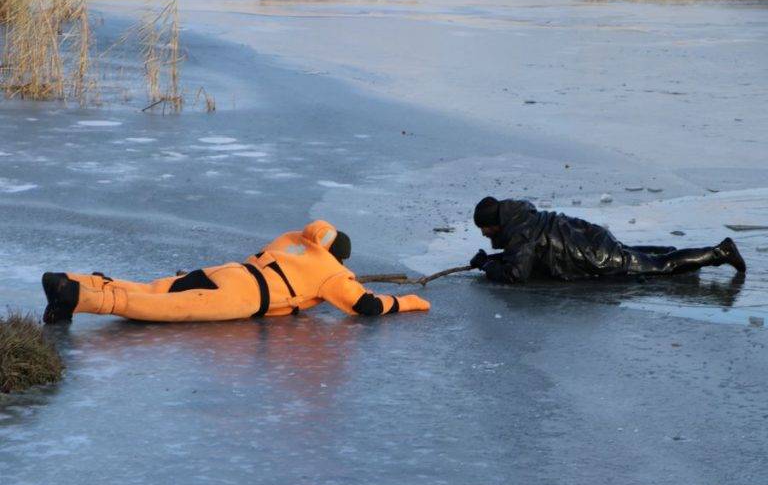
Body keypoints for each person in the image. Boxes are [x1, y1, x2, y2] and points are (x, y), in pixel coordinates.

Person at [42, 220, 431, 323]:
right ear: (341, 259)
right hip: (244, 297)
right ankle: (80, 298)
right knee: (165, 310)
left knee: (154, 289)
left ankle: (73, 281)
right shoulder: (333, 274)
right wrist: (410, 302)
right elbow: (366, 306)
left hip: (230, 270)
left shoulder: (295, 239)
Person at [469, 196, 746, 283]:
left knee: (660, 266)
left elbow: (516, 275)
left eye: (485, 229)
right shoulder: (522, 217)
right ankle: (679, 255)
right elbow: (526, 255)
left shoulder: (520, 234)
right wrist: (495, 259)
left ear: (496, 224)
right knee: (639, 256)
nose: (484, 234)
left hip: (593, 255)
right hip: (589, 238)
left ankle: (719, 253)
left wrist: (486, 265)